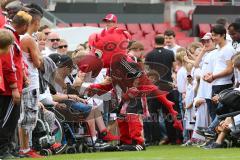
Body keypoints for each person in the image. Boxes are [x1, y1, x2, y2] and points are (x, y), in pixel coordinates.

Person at [0, 10, 31, 159]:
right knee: (7, 120)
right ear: (24, 25)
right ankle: (3, 150)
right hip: (8, 89)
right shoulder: (8, 36)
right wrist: (14, 88)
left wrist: (23, 76)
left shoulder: (12, 35)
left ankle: (10, 149)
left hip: (12, 86)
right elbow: (8, 64)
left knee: (12, 120)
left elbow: (16, 63)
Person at [18, 5, 44, 158]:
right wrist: (40, 57)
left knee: (25, 116)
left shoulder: (20, 37)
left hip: (25, 81)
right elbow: (38, 63)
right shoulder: (28, 39)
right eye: (39, 22)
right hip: (30, 83)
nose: (39, 25)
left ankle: (25, 147)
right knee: (28, 116)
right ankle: (25, 149)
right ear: (35, 22)